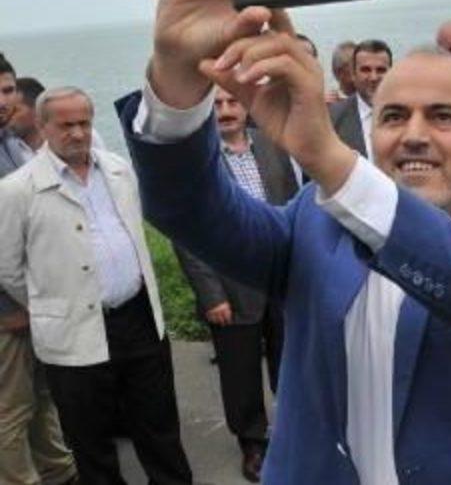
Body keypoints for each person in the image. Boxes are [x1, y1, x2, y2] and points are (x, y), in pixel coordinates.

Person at [117, 0, 451, 483]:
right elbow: (187, 208)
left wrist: (329, 160)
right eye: (393, 116)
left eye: (442, 116)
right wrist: (176, 72)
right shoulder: (311, 223)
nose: (413, 134)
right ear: (371, 133)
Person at [0, 86, 192, 484]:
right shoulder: (16, 190)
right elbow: (8, 267)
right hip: (74, 331)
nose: (77, 133)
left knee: (159, 426)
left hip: (139, 319)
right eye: (65, 125)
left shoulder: (118, 169)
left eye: (84, 123)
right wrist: (51, 304)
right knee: (91, 440)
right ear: (42, 126)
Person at [174, 87, 297, 482]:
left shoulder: (272, 144)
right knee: (239, 373)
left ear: (247, 107)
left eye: (233, 102)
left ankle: (293, 427)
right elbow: (187, 235)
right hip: (230, 288)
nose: (226, 111)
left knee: (290, 361)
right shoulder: (194, 160)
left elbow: (294, 205)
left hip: (281, 277)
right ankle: (253, 442)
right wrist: (211, 295)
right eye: (217, 105)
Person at [0, 70, 76, 485]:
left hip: (35, 301)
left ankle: (58, 471)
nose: (3, 101)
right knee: (10, 409)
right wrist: (7, 309)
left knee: (43, 397)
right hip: (8, 312)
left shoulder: (12, 143)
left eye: (8, 90)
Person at [329, 39, 391, 158]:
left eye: (381, 70)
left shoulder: (409, 114)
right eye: (366, 70)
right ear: (353, 74)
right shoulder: (332, 118)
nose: (373, 77)